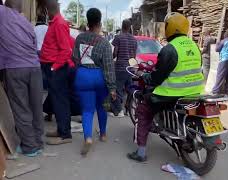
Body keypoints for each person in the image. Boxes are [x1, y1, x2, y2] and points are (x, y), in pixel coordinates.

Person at [127, 12, 204, 162]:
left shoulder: (169, 49)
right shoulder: (194, 46)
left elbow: (157, 77)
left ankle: (141, 152)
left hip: (171, 94)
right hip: (194, 92)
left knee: (143, 111)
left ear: (170, 28)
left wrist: (144, 76)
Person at [0, 0, 44, 157]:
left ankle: (30, 146)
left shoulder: (2, 13)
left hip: (15, 68)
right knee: (36, 107)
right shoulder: (25, 22)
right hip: (35, 67)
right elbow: (33, 45)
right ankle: (38, 142)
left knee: (21, 108)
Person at [72, 8, 116, 155]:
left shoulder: (79, 38)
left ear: (88, 22)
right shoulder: (104, 43)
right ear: (99, 22)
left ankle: (88, 138)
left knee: (87, 110)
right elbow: (109, 67)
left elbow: (75, 58)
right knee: (102, 106)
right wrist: (112, 88)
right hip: (99, 77)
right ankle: (103, 134)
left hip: (83, 76)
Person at [40, 0, 75, 145]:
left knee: (60, 101)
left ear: (47, 10)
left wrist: (54, 67)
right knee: (57, 100)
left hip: (58, 68)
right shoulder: (55, 23)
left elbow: (66, 50)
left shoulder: (59, 24)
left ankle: (65, 134)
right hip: (54, 67)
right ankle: (61, 130)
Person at [110, 19, 137, 117]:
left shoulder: (118, 37)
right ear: (130, 27)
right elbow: (134, 56)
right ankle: (129, 110)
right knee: (130, 89)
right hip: (130, 68)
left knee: (118, 89)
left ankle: (119, 110)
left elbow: (115, 52)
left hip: (120, 67)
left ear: (122, 26)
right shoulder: (134, 40)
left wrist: (110, 59)